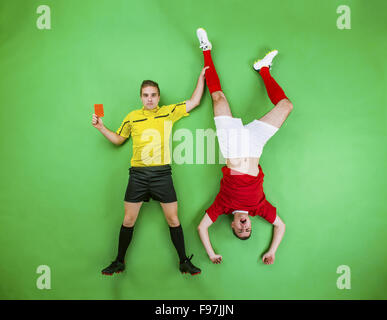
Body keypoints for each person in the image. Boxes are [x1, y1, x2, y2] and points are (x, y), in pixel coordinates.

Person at [92, 68, 208, 276]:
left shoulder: (168, 112)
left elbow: (195, 101)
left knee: (173, 220)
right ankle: (119, 261)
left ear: (158, 96)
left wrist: (201, 78)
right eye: (146, 95)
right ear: (141, 97)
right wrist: (101, 127)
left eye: (153, 95)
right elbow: (118, 139)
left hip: (162, 175)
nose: (150, 99)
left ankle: (183, 261)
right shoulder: (132, 117)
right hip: (138, 175)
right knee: (128, 220)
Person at [196, 28, 292, 265]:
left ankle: (206, 50)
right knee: (286, 106)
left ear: (232, 225)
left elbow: (202, 227)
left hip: (232, 146)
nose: (244, 227)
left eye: (240, 230)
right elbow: (281, 225)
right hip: (255, 144)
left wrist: (211, 254)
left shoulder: (223, 205)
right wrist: (272, 251)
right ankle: (263, 69)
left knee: (218, 97)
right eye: (247, 230)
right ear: (250, 224)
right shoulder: (261, 209)